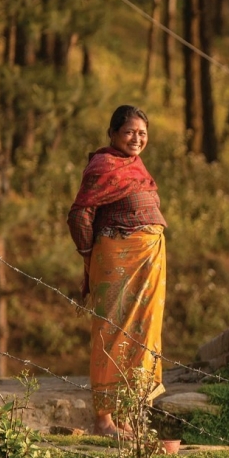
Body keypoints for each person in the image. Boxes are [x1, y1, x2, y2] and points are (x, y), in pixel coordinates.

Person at [67, 105, 167, 437]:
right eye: (129, 132)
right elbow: (80, 214)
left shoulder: (135, 164)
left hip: (147, 259)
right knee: (112, 333)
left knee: (142, 334)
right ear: (112, 134)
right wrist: (89, 256)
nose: (137, 139)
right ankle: (103, 420)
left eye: (142, 133)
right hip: (116, 258)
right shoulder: (102, 165)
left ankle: (125, 416)